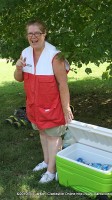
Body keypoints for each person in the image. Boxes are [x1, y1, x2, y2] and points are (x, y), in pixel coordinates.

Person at [14, 20, 74, 183]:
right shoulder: (25, 52)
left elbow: (63, 84)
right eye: (30, 34)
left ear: (44, 34)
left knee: (54, 136)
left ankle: (51, 171)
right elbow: (18, 78)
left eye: (37, 33)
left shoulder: (55, 55)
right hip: (34, 105)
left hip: (52, 106)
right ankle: (47, 161)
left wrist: (66, 107)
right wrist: (18, 67)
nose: (33, 37)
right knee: (42, 132)